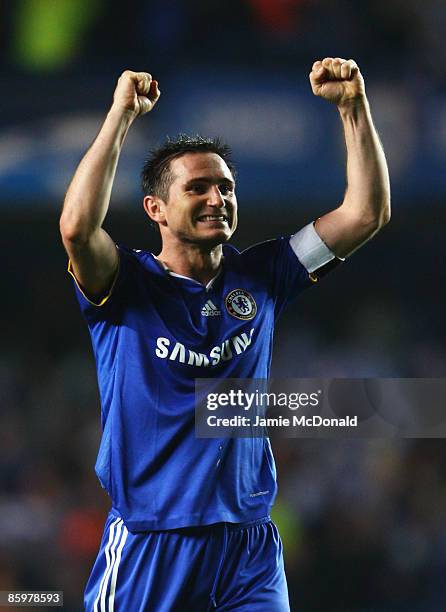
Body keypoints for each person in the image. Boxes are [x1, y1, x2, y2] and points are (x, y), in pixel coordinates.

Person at [60, 58, 390, 611]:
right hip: (152, 543)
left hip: (248, 548)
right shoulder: (124, 284)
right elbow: (75, 228)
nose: (218, 197)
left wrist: (353, 106)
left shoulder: (266, 273)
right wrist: (120, 116)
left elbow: (366, 213)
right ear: (156, 209)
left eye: (226, 186)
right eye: (199, 187)